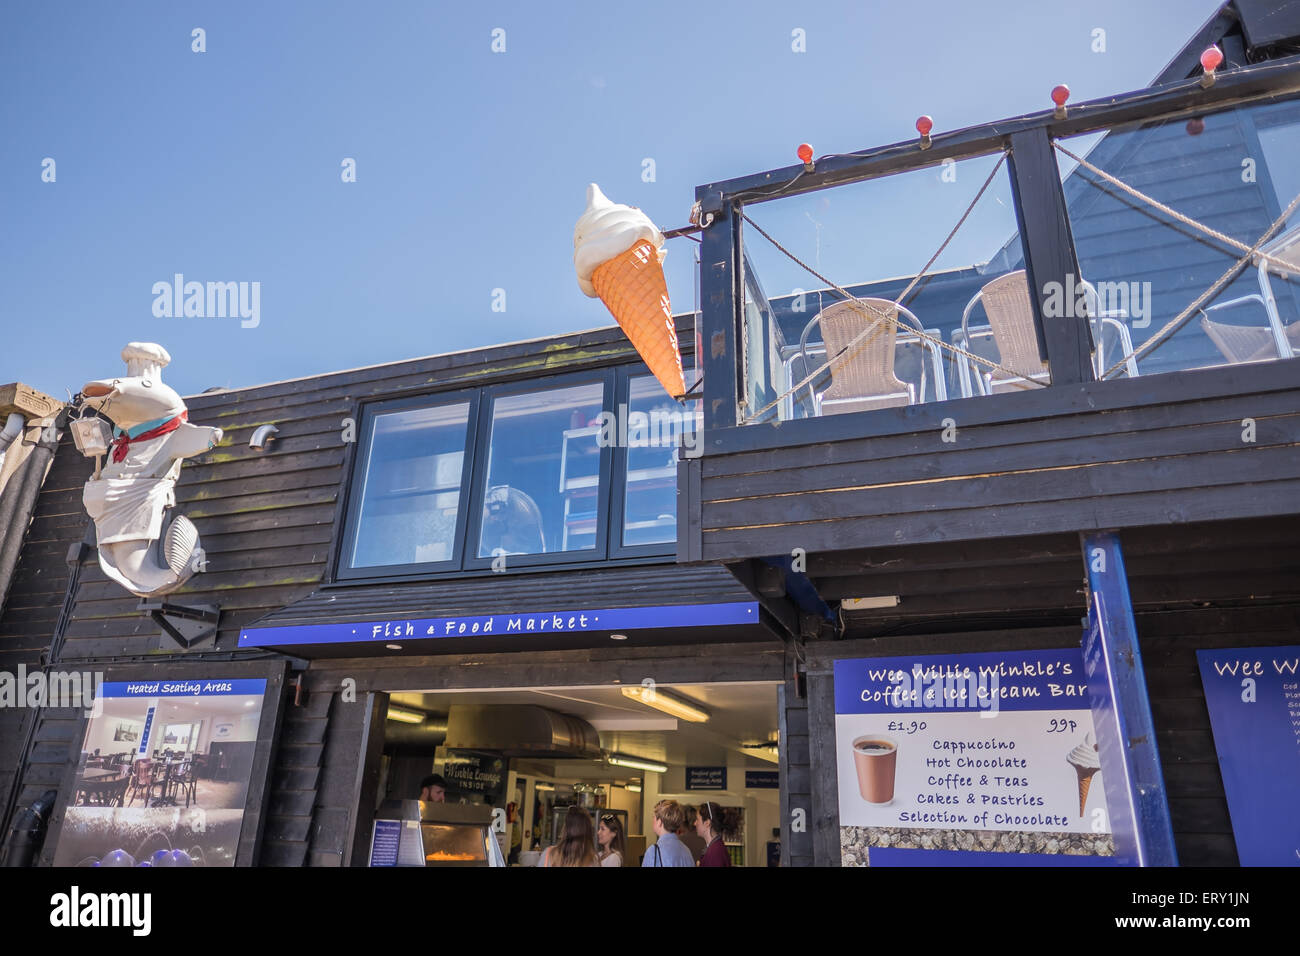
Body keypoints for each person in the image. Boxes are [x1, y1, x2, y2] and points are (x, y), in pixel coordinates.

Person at [641, 800, 695, 867]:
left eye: (653, 817)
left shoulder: (653, 852)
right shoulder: (686, 851)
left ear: (659, 822)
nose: (652, 820)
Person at [695, 801, 731, 867]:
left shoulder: (714, 854)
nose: (695, 823)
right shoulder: (716, 847)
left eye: (697, 819)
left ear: (707, 823)